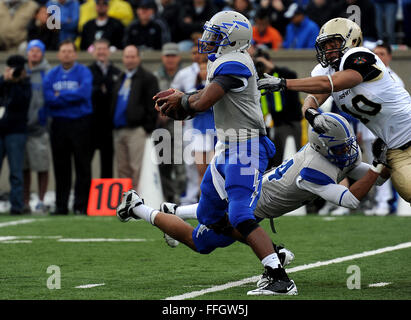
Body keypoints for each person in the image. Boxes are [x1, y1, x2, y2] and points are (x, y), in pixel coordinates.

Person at [118, 11, 297, 296]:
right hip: (226, 147)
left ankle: (279, 277)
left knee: (239, 212)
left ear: (233, 39)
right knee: (206, 221)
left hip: (247, 145)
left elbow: (204, 101)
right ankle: (271, 250)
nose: (208, 40)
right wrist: (186, 98)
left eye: (216, 35)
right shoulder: (222, 61)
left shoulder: (237, 62)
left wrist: (184, 101)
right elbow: (203, 95)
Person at [116, 112, 390, 294]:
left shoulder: (336, 153)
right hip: (250, 200)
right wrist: (379, 167)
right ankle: (138, 207)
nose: (349, 152)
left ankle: (173, 211)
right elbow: (351, 199)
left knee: (228, 223)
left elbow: (373, 178)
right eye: (341, 148)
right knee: (201, 242)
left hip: (257, 199)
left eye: (349, 145)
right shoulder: (314, 170)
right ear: (324, 147)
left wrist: (386, 162)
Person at [257, 17, 411, 205]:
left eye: (334, 43)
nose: (328, 49)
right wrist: (310, 112)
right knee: (408, 189)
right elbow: (313, 97)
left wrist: (284, 83)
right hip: (395, 147)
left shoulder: (359, 56)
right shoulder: (326, 70)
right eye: (325, 45)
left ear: (352, 41)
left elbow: (332, 83)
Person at [43, 40, 94, 214]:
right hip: (59, 124)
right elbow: (49, 97)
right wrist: (70, 96)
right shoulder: (51, 74)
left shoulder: (83, 72)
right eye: (63, 51)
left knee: (82, 165)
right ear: (58, 54)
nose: (66, 54)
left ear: (75, 54)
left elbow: (84, 93)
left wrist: (60, 95)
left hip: (80, 123)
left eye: (69, 51)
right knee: (61, 166)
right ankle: (61, 205)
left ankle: (81, 206)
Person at [110, 45, 159, 190]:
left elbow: (153, 105)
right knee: (122, 169)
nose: (129, 60)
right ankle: (126, 203)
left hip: (137, 130)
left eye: (132, 56)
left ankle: (138, 204)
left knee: (136, 168)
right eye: (126, 56)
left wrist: (146, 128)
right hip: (119, 129)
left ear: (138, 58)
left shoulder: (148, 78)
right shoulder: (120, 77)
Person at [253, 47, 302, 167]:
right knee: (276, 161)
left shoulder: (281, 75)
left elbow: (292, 76)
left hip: (290, 123)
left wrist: (271, 67)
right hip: (272, 125)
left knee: (290, 158)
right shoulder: (259, 80)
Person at [153, 43, 186, 204]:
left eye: (173, 55)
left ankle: (182, 197)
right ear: (162, 57)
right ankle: (170, 198)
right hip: (162, 127)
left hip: (182, 126)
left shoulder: (185, 74)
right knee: (164, 164)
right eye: (168, 56)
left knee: (181, 164)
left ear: (178, 57)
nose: (170, 59)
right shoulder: (155, 76)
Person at [0, 55, 32, 215]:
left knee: (16, 172)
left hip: (16, 132)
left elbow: (22, 101)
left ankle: (17, 206)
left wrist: (15, 82)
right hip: (0, 131)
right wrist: (5, 81)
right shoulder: (2, 81)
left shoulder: (25, 85)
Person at [23, 40, 52, 214]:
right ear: (27, 53)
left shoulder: (47, 73)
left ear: (42, 53)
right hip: (22, 127)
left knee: (42, 166)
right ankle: (25, 201)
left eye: (37, 51)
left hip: (40, 128)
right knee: (23, 168)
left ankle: (41, 200)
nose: (34, 54)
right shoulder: (22, 72)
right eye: (31, 50)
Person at [88, 38, 122, 179]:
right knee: (85, 163)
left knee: (107, 164)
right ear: (93, 51)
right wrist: (99, 89)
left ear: (108, 51)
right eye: (98, 49)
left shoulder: (117, 72)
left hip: (109, 125)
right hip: (90, 124)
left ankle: (105, 199)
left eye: (104, 48)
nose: (101, 52)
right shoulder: (87, 71)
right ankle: (85, 198)